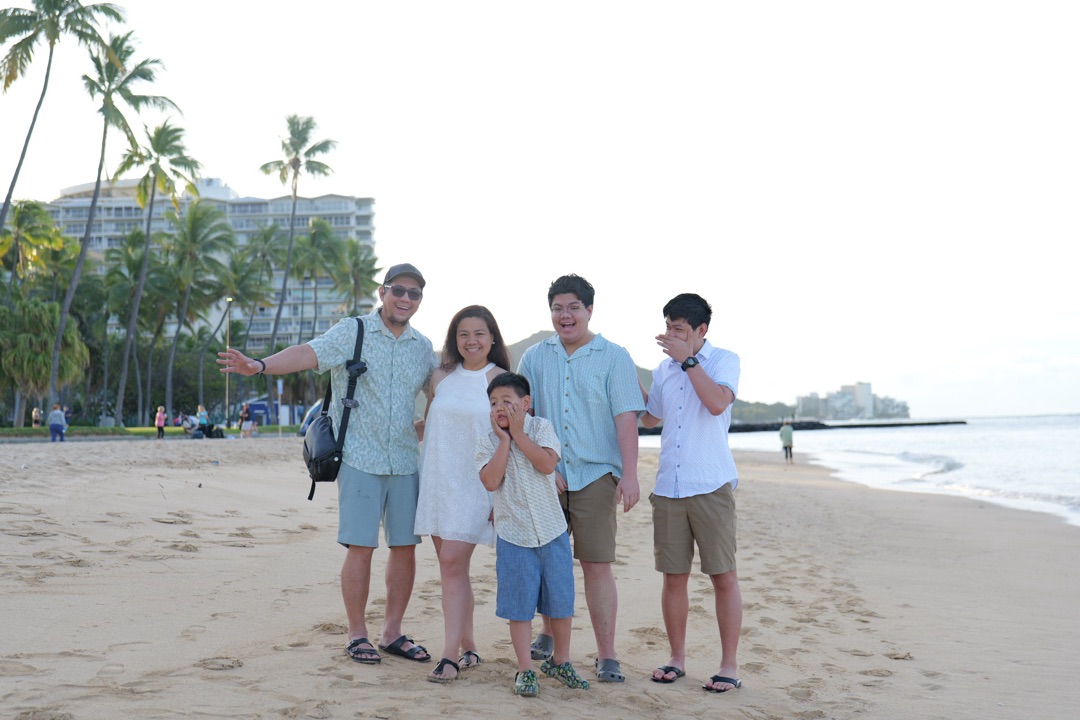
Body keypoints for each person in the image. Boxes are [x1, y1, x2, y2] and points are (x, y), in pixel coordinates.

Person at [217, 262, 436, 667]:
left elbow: (443, 391)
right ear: (382, 292)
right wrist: (259, 365)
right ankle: (357, 634)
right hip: (359, 457)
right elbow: (306, 353)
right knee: (361, 547)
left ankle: (392, 632)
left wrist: (425, 426)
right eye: (398, 290)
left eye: (414, 293)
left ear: (420, 300)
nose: (405, 299)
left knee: (405, 548)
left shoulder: (423, 347)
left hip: (405, 461)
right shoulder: (352, 331)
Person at [517, 273, 644, 683]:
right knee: (548, 562)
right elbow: (525, 417)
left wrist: (630, 475)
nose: (565, 315)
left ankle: (607, 654)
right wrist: (544, 467)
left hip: (596, 474)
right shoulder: (534, 357)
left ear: (590, 310)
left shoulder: (614, 356)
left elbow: (626, 419)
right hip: (546, 474)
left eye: (573, 307)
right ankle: (549, 634)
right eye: (557, 308)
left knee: (596, 564)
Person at [640, 293, 743, 694]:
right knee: (673, 578)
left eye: (679, 329)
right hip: (668, 486)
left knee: (723, 577)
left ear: (701, 331)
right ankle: (677, 658)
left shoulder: (724, 360)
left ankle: (729, 665)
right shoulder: (663, 370)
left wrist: (688, 361)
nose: (670, 335)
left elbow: (717, 403)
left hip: (710, 484)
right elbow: (651, 417)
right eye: (668, 327)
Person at [477, 372, 589, 697]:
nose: (500, 408)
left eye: (508, 402)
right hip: (514, 537)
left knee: (561, 601)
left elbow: (546, 464)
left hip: (552, 532)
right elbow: (489, 481)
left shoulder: (541, 428)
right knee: (519, 606)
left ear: (526, 404)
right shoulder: (488, 441)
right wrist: (504, 441)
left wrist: (518, 433)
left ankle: (561, 661)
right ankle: (525, 668)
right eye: (494, 403)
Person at [414, 305, 510, 683]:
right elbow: (435, 424)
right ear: (455, 339)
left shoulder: (501, 378)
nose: (472, 341)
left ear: (492, 338)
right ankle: (470, 647)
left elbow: (511, 438)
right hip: (438, 480)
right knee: (453, 569)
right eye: (464, 334)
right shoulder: (441, 377)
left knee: (453, 564)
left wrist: (499, 494)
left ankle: (449, 656)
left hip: (477, 484)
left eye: (479, 334)